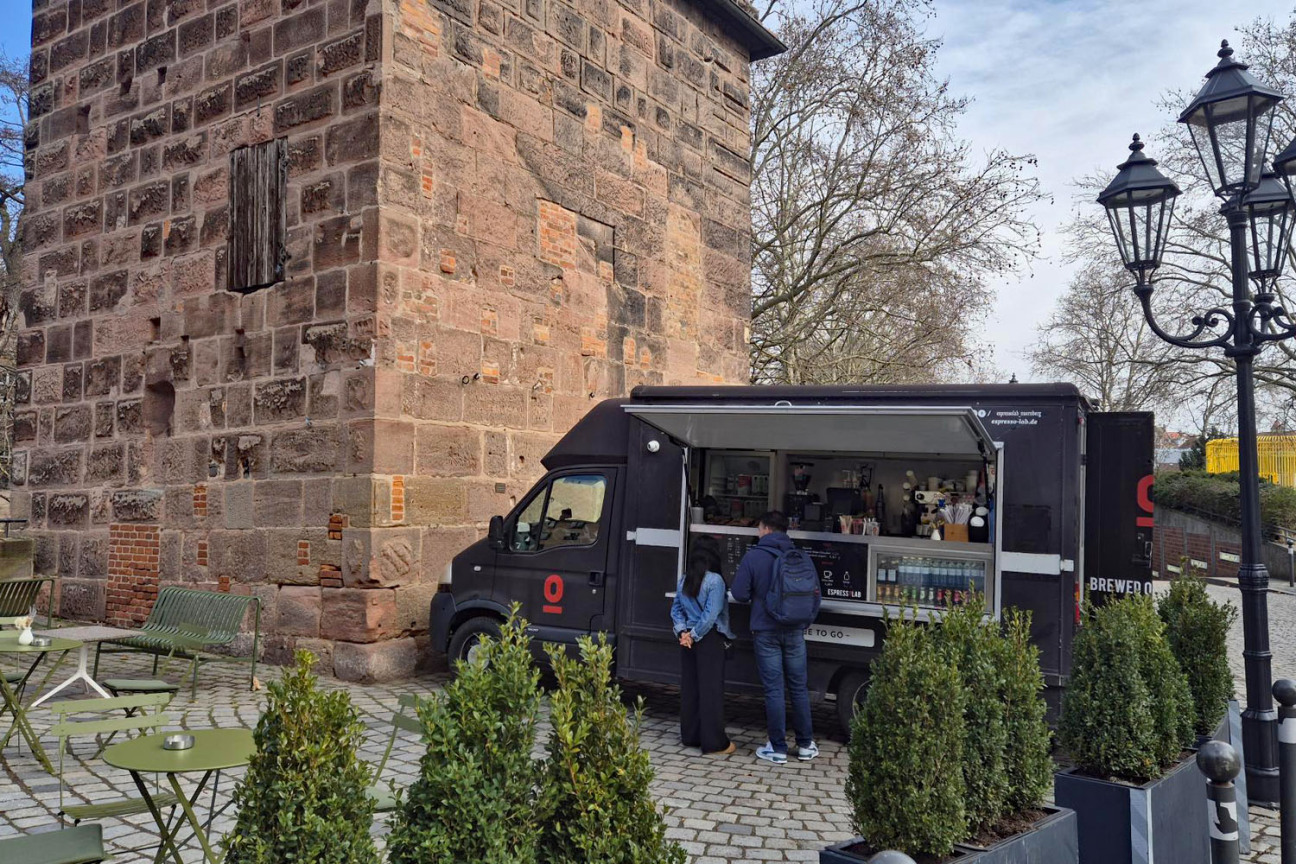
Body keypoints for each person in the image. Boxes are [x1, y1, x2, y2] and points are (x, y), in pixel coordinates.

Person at [731, 510, 818, 764]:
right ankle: (805, 745)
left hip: (765, 631)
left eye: (758, 528)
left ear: (766, 529)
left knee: (774, 689)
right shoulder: (801, 556)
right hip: (794, 631)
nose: (758, 533)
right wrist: (803, 621)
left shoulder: (754, 556)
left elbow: (739, 593)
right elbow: (815, 595)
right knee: (799, 688)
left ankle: (777, 748)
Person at [670, 545, 736, 755]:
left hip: (687, 640)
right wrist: (695, 635)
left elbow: (676, 610)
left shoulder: (684, 579)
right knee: (711, 690)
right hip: (709, 639)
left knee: (690, 688)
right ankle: (715, 742)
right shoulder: (715, 581)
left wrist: (683, 633)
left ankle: (690, 735)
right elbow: (710, 615)